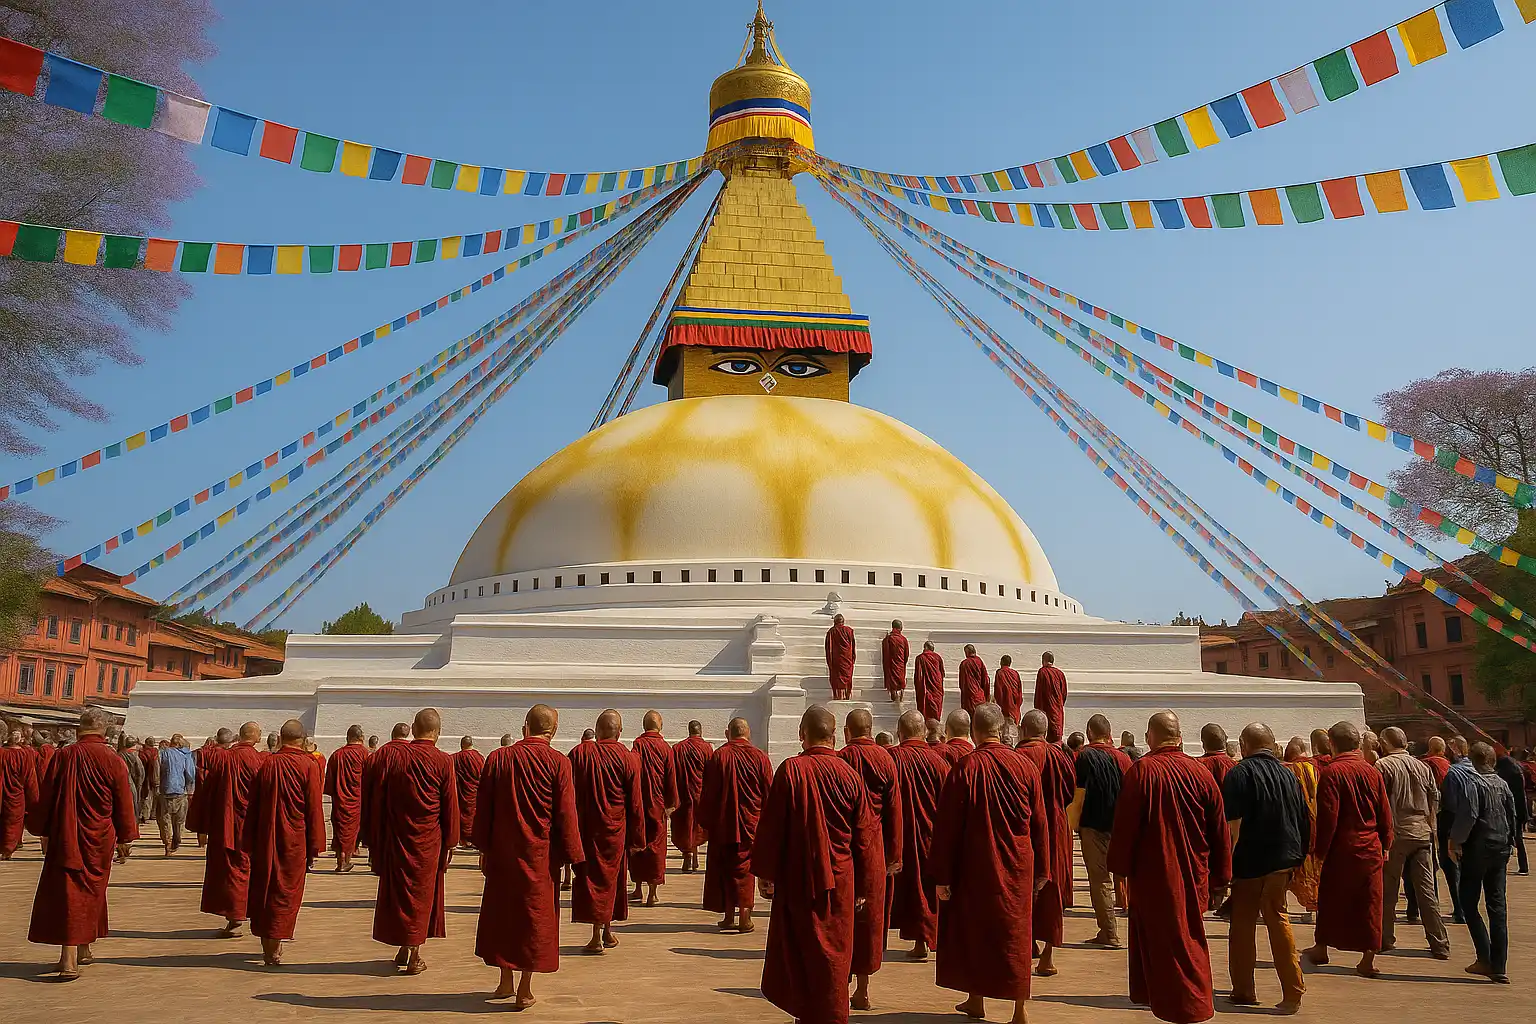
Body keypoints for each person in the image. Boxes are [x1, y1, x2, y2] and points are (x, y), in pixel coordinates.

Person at [752, 706, 880, 1024]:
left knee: (800, 949)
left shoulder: (791, 770)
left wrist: (765, 875)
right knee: (835, 954)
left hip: (798, 879)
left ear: (801, 734)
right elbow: (864, 836)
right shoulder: (850, 775)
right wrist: (864, 885)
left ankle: (809, 1014)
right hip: (841, 880)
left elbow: (772, 828)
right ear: (834, 736)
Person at [1108, 711, 1231, 1024]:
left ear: (1150, 736)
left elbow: (1125, 827)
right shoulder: (1201, 773)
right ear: (1179, 736)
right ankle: (1185, 1004)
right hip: (1193, 874)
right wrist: (1221, 878)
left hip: (1154, 876)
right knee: (1189, 936)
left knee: (1163, 943)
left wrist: (1119, 869)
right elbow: (1219, 830)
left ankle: (1185, 1008)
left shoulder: (1142, 771)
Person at [932, 702, 1048, 1024]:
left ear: (975, 732)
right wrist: (1043, 870)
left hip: (976, 866)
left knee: (976, 932)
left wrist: (943, 876)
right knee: (1016, 933)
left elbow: (948, 827)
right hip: (1018, 867)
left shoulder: (966, 768)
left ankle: (977, 998)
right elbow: (1040, 822)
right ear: (1002, 730)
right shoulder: (1025, 767)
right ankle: (1015, 1009)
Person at [473, 704, 584, 1009]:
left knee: (504, 917)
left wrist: (482, 847)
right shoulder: (559, 763)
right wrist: (572, 857)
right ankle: (524, 988)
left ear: (525, 727)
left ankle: (505, 981)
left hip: (503, 854)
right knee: (533, 920)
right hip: (540, 857)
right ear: (554, 731)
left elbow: (485, 809)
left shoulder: (498, 758)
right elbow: (565, 814)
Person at [25, 707, 137, 980]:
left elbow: (46, 795)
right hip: (99, 838)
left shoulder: (63, 756)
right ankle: (69, 959)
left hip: (66, 835)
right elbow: (124, 803)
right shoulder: (112, 759)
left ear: (79, 728)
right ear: (106, 730)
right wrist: (126, 837)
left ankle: (81, 950)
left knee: (69, 892)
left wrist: (41, 829)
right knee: (91, 891)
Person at [1221, 723, 1307, 1013]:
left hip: (1250, 861)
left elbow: (1233, 828)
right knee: (1278, 918)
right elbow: (1303, 819)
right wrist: (1299, 857)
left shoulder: (1238, 774)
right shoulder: (1289, 774)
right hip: (1284, 859)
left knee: (1243, 925)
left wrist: (1225, 867)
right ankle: (1293, 990)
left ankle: (1244, 989)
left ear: (1244, 745)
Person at [1302, 721, 1393, 978]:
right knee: (1370, 902)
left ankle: (1322, 947)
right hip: (1370, 847)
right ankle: (1368, 958)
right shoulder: (1371, 771)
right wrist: (1386, 842)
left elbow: (1328, 817)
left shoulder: (1333, 772)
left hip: (1341, 848)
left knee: (1330, 899)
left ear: (1332, 743)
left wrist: (1320, 851)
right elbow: (1384, 812)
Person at [372, 708, 459, 975]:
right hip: (429, 840)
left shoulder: (396, 758)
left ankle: (404, 945)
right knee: (422, 895)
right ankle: (414, 955)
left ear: (413, 727)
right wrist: (451, 840)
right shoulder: (444, 761)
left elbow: (382, 800)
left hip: (399, 837)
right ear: (439, 731)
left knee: (402, 894)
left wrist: (379, 837)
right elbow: (450, 806)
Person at [243, 718, 325, 966]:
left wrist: (248, 839)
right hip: (294, 842)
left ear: (280, 738)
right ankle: (275, 945)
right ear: (302, 739)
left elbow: (252, 806)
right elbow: (314, 808)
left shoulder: (266, 764)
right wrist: (315, 844)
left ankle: (268, 945)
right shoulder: (308, 766)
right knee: (285, 892)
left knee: (266, 888)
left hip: (265, 838)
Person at [839, 708, 902, 1011]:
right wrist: (894, 854)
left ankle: (840, 983)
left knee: (841, 918)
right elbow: (894, 812)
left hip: (842, 850)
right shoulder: (885, 759)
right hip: (875, 849)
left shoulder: (840, 759)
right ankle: (863, 988)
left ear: (847, 731)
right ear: (870, 728)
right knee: (869, 921)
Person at [569, 709, 643, 953]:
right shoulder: (629, 758)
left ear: (597, 731)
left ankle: (596, 935)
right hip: (616, 832)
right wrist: (638, 837)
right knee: (612, 880)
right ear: (619, 733)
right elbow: (635, 802)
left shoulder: (581, 754)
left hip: (588, 830)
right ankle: (607, 931)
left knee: (591, 880)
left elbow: (568, 793)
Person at [1445, 741, 1518, 983]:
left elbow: (1469, 816)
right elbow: (1512, 815)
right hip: (1500, 847)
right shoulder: (1502, 784)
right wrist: (1511, 841)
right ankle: (1498, 964)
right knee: (1497, 906)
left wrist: (1454, 841)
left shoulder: (1474, 784)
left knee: (1468, 901)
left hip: (1478, 849)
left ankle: (1485, 956)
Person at [1375, 727, 1449, 958]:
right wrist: (1431, 827)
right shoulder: (1423, 766)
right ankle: (1440, 942)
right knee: (1426, 890)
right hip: (1422, 832)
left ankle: (1385, 938)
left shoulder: (1383, 766)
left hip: (1396, 832)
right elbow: (1434, 797)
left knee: (1389, 890)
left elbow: (1380, 803)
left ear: (1385, 743)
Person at [700, 717, 773, 933]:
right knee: (745, 871)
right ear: (748, 734)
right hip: (752, 823)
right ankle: (744, 916)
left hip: (723, 825)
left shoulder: (719, 757)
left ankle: (730, 915)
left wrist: (705, 821)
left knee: (725, 869)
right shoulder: (761, 758)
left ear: (727, 733)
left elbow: (708, 794)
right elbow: (769, 795)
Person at [887, 709, 949, 962]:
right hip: (931, 836)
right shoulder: (939, 763)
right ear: (924, 732)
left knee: (908, 887)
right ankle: (926, 939)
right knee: (927, 886)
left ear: (899, 733)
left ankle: (919, 942)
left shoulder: (890, 759)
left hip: (899, 837)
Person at [1016, 708, 1075, 977]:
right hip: (1058, 828)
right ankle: (1048, 956)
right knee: (1052, 892)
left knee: (1026, 890)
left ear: (1023, 730)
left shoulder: (1020, 757)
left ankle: (1028, 946)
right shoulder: (1061, 756)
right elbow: (1069, 792)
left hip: (1029, 831)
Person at [1070, 714, 1131, 948]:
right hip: (1120, 826)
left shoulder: (1083, 757)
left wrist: (1072, 824)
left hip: (1093, 826)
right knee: (1124, 875)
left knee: (1100, 880)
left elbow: (1078, 794)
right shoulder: (1123, 758)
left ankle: (1109, 932)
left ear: (1089, 733)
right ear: (1110, 733)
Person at [200, 722, 265, 938]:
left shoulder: (225, 758)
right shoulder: (260, 760)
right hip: (252, 825)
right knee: (248, 869)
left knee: (231, 871)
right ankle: (246, 915)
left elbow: (208, 790)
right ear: (255, 737)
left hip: (226, 824)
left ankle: (235, 918)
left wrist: (205, 823)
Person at [629, 710, 678, 907]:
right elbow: (671, 778)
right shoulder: (665, 748)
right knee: (656, 848)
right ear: (660, 726)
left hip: (639, 804)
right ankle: (652, 893)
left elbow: (632, 774)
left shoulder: (637, 746)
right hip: (658, 806)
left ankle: (638, 888)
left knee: (639, 844)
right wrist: (671, 803)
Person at [361, 722, 412, 874]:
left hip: (380, 810)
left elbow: (366, 788)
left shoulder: (376, 756)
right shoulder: (413, 755)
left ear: (392, 734)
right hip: (405, 813)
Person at [1282, 737, 1321, 919]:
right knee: (1313, 867)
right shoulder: (1317, 768)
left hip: (1294, 824)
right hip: (1316, 822)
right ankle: (1311, 908)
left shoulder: (1288, 770)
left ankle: (1282, 906)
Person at [324, 725, 369, 872]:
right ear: (361, 738)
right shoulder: (365, 755)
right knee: (352, 830)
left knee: (340, 829)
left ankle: (341, 861)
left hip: (339, 801)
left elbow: (329, 784)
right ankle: (346, 859)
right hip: (358, 801)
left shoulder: (336, 755)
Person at [669, 720, 712, 874]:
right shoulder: (707, 748)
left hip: (683, 794)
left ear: (688, 731)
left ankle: (688, 855)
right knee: (698, 827)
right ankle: (694, 856)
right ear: (700, 731)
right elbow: (710, 774)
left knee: (686, 826)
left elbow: (672, 773)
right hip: (701, 795)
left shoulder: (677, 749)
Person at [1, 728, 40, 859]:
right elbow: (30, 778)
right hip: (18, 795)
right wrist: (34, 799)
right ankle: (8, 850)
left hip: (2, 792)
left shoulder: (1, 753)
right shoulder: (25, 755)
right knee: (14, 823)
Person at [155, 733, 196, 856]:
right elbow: (190, 774)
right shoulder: (185, 755)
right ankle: (177, 839)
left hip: (165, 791)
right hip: (180, 792)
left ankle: (167, 843)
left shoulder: (162, 753)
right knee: (179, 820)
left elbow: (157, 770)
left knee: (164, 820)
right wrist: (190, 789)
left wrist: (158, 784)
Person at [1492, 745, 1529, 874]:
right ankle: (1522, 865)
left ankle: (1503, 864)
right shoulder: (1516, 768)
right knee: (1517, 838)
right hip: (1520, 808)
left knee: (1512, 837)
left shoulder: (1506, 771)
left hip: (1512, 809)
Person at [452, 735, 485, 852]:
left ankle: (462, 839)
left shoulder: (454, 758)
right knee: (472, 815)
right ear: (472, 744)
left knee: (460, 814)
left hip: (460, 793)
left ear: (461, 745)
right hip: (474, 793)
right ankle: (472, 839)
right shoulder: (479, 758)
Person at [1033, 652, 1067, 744]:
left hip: (1046, 709)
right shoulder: (1060, 674)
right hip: (1058, 709)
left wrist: (1037, 708)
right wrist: (1059, 704)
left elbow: (1039, 692)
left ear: (1043, 661)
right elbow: (1064, 693)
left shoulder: (1042, 672)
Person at [115, 735, 145, 839]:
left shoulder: (119, 755)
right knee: (133, 809)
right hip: (132, 785)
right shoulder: (135, 757)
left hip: (122, 785)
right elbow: (141, 774)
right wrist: (138, 785)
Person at [825, 613, 856, 701]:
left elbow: (828, 648)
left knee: (836, 677)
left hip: (836, 660)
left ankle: (837, 695)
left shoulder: (831, 632)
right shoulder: (849, 631)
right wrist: (853, 658)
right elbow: (853, 646)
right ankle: (847, 695)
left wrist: (830, 662)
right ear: (843, 622)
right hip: (847, 659)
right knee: (847, 677)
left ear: (835, 622)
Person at [913, 641, 945, 722]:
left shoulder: (920, 658)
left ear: (925, 647)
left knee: (926, 708)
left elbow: (918, 677)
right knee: (936, 707)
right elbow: (942, 673)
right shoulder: (938, 657)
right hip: (937, 687)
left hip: (926, 689)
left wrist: (919, 689)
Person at [881, 619, 909, 702]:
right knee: (900, 679)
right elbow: (906, 654)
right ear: (900, 628)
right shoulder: (903, 639)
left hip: (891, 665)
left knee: (892, 679)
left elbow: (885, 654)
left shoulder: (888, 639)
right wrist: (902, 663)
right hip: (900, 664)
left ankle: (893, 694)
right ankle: (900, 693)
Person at [958, 644, 989, 714]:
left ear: (967, 652)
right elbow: (985, 680)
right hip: (979, 695)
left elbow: (962, 683)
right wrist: (987, 695)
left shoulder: (964, 664)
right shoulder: (979, 661)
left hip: (969, 696)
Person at [993, 655, 1023, 724]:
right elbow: (1019, 689)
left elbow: (998, 692)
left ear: (1001, 662)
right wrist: (1018, 704)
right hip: (1015, 706)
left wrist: (999, 705)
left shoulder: (1000, 673)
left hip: (1005, 706)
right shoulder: (1015, 673)